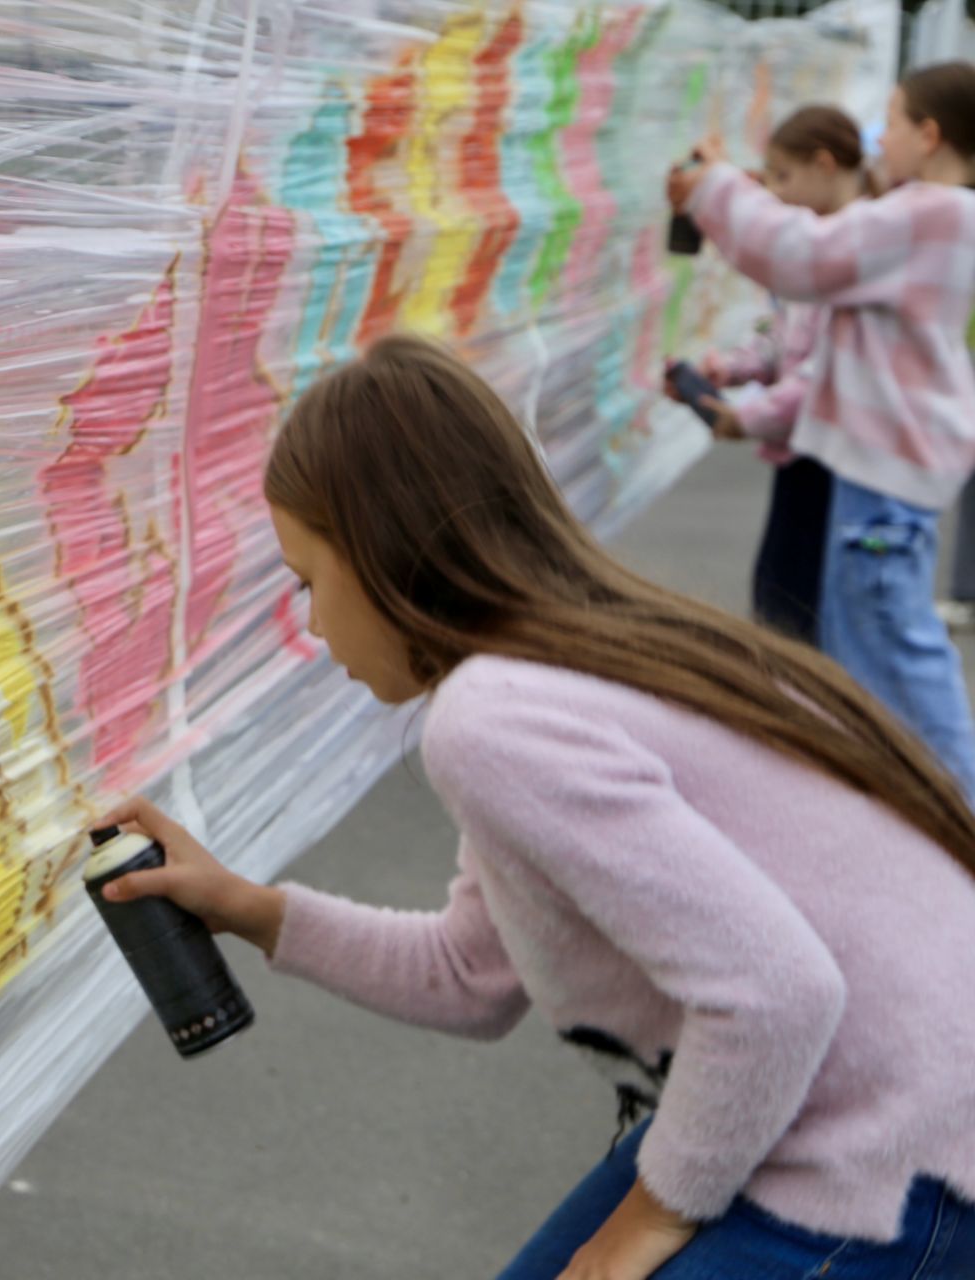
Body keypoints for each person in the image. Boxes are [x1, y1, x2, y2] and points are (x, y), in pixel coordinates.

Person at [97, 336, 975, 1279]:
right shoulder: (573, 661)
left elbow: (778, 994)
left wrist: (646, 1224)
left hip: (887, 1153)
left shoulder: (491, 720)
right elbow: (471, 975)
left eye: (310, 579)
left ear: (383, 550)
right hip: (883, 1101)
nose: (312, 625)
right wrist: (245, 907)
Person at [669, 64, 975, 796]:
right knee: (864, 661)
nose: (882, 138)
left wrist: (715, 186)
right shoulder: (932, 214)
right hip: (884, 475)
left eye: (893, 122)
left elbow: (797, 255)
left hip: (882, 479)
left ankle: (962, 819)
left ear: (928, 136)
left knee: (896, 661)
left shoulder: (931, 212)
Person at [668, 105, 869, 644]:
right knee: (781, 592)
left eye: (783, 177)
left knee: (797, 607)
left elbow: (822, 379)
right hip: (802, 453)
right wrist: (729, 369)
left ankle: (805, 714)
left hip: (831, 461)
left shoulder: (852, 257)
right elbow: (786, 338)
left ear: (824, 166)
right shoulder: (819, 256)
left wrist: (744, 419)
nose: (775, 194)